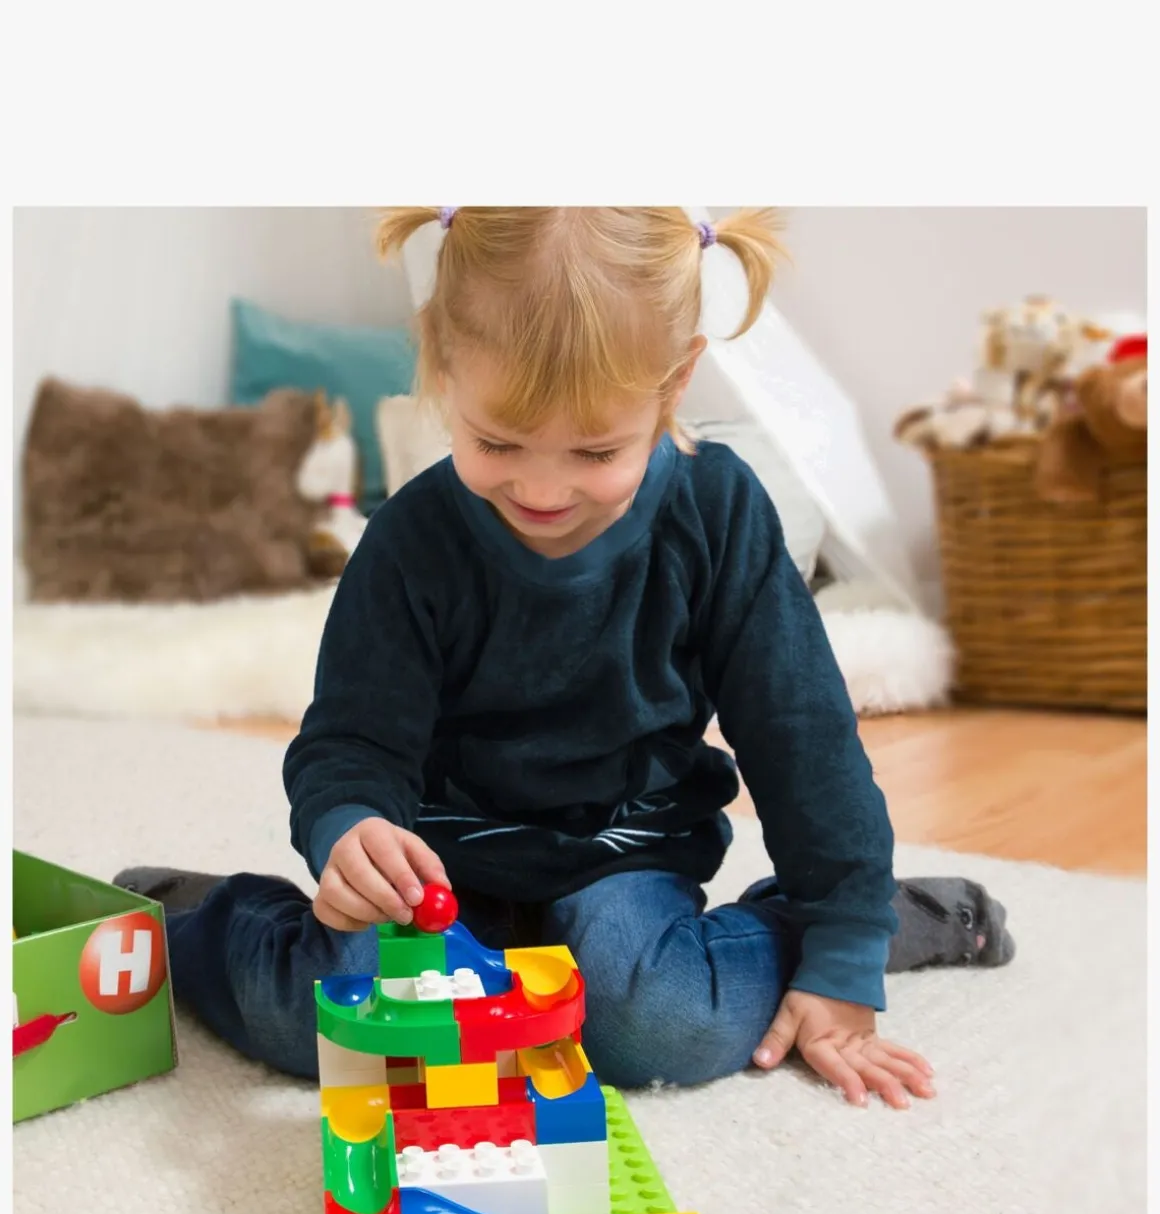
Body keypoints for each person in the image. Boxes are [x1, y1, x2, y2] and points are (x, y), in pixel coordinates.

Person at [118, 205, 1014, 1107]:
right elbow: (352, 741)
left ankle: (889, 920)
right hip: (441, 867)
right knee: (336, 1019)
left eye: (595, 451)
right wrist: (349, 826)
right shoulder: (412, 542)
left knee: (658, 1023)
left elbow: (805, 745)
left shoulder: (718, 516)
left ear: (675, 383)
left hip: (623, 860)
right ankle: (197, 916)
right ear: (442, 362)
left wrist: (844, 951)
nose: (542, 489)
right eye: (497, 442)